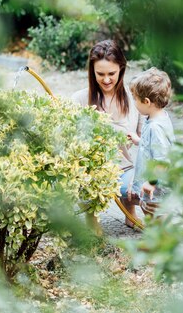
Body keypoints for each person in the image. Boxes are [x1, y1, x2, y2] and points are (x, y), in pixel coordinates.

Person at [71, 40, 143, 230]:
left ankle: (131, 214)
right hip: (90, 173)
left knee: (144, 189)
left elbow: (144, 140)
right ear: (92, 72)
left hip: (123, 170)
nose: (106, 80)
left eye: (111, 73)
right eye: (100, 74)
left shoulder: (132, 99)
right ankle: (91, 221)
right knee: (84, 184)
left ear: (121, 69)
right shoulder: (79, 99)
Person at [127, 67, 175, 217]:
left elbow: (162, 160)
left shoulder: (156, 127)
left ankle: (162, 239)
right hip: (152, 186)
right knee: (149, 212)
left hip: (156, 188)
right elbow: (155, 146)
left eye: (135, 99)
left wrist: (151, 182)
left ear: (146, 102)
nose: (134, 102)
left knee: (157, 216)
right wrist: (139, 141)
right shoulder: (158, 118)